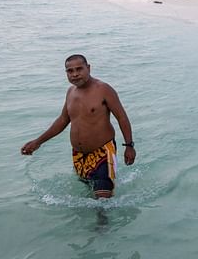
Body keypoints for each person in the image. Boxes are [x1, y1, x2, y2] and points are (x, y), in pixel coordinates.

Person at [21, 54, 136, 199]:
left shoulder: (103, 89)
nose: (75, 74)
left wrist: (129, 146)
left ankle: (104, 222)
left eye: (79, 69)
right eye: (70, 71)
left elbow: (122, 117)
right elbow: (62, 120)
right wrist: (37, 142)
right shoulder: (70, 92)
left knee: (103, 204)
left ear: (88, 68)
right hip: (79, 156)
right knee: (88, 197)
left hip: (103, 153)